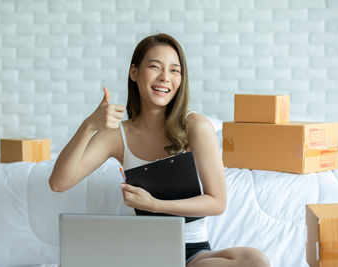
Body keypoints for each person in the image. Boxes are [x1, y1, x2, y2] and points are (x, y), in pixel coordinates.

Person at [49, 33, 270, 267]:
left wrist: (156, 205)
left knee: (256, 260)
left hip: (192, 252)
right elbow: (58, 183)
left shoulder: (195, 126)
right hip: (143, 250)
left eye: (175, 70)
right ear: (134, 72)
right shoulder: (116, 136)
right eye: (155, 67)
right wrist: (89, 125)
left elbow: (217, 202)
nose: (165, 77)